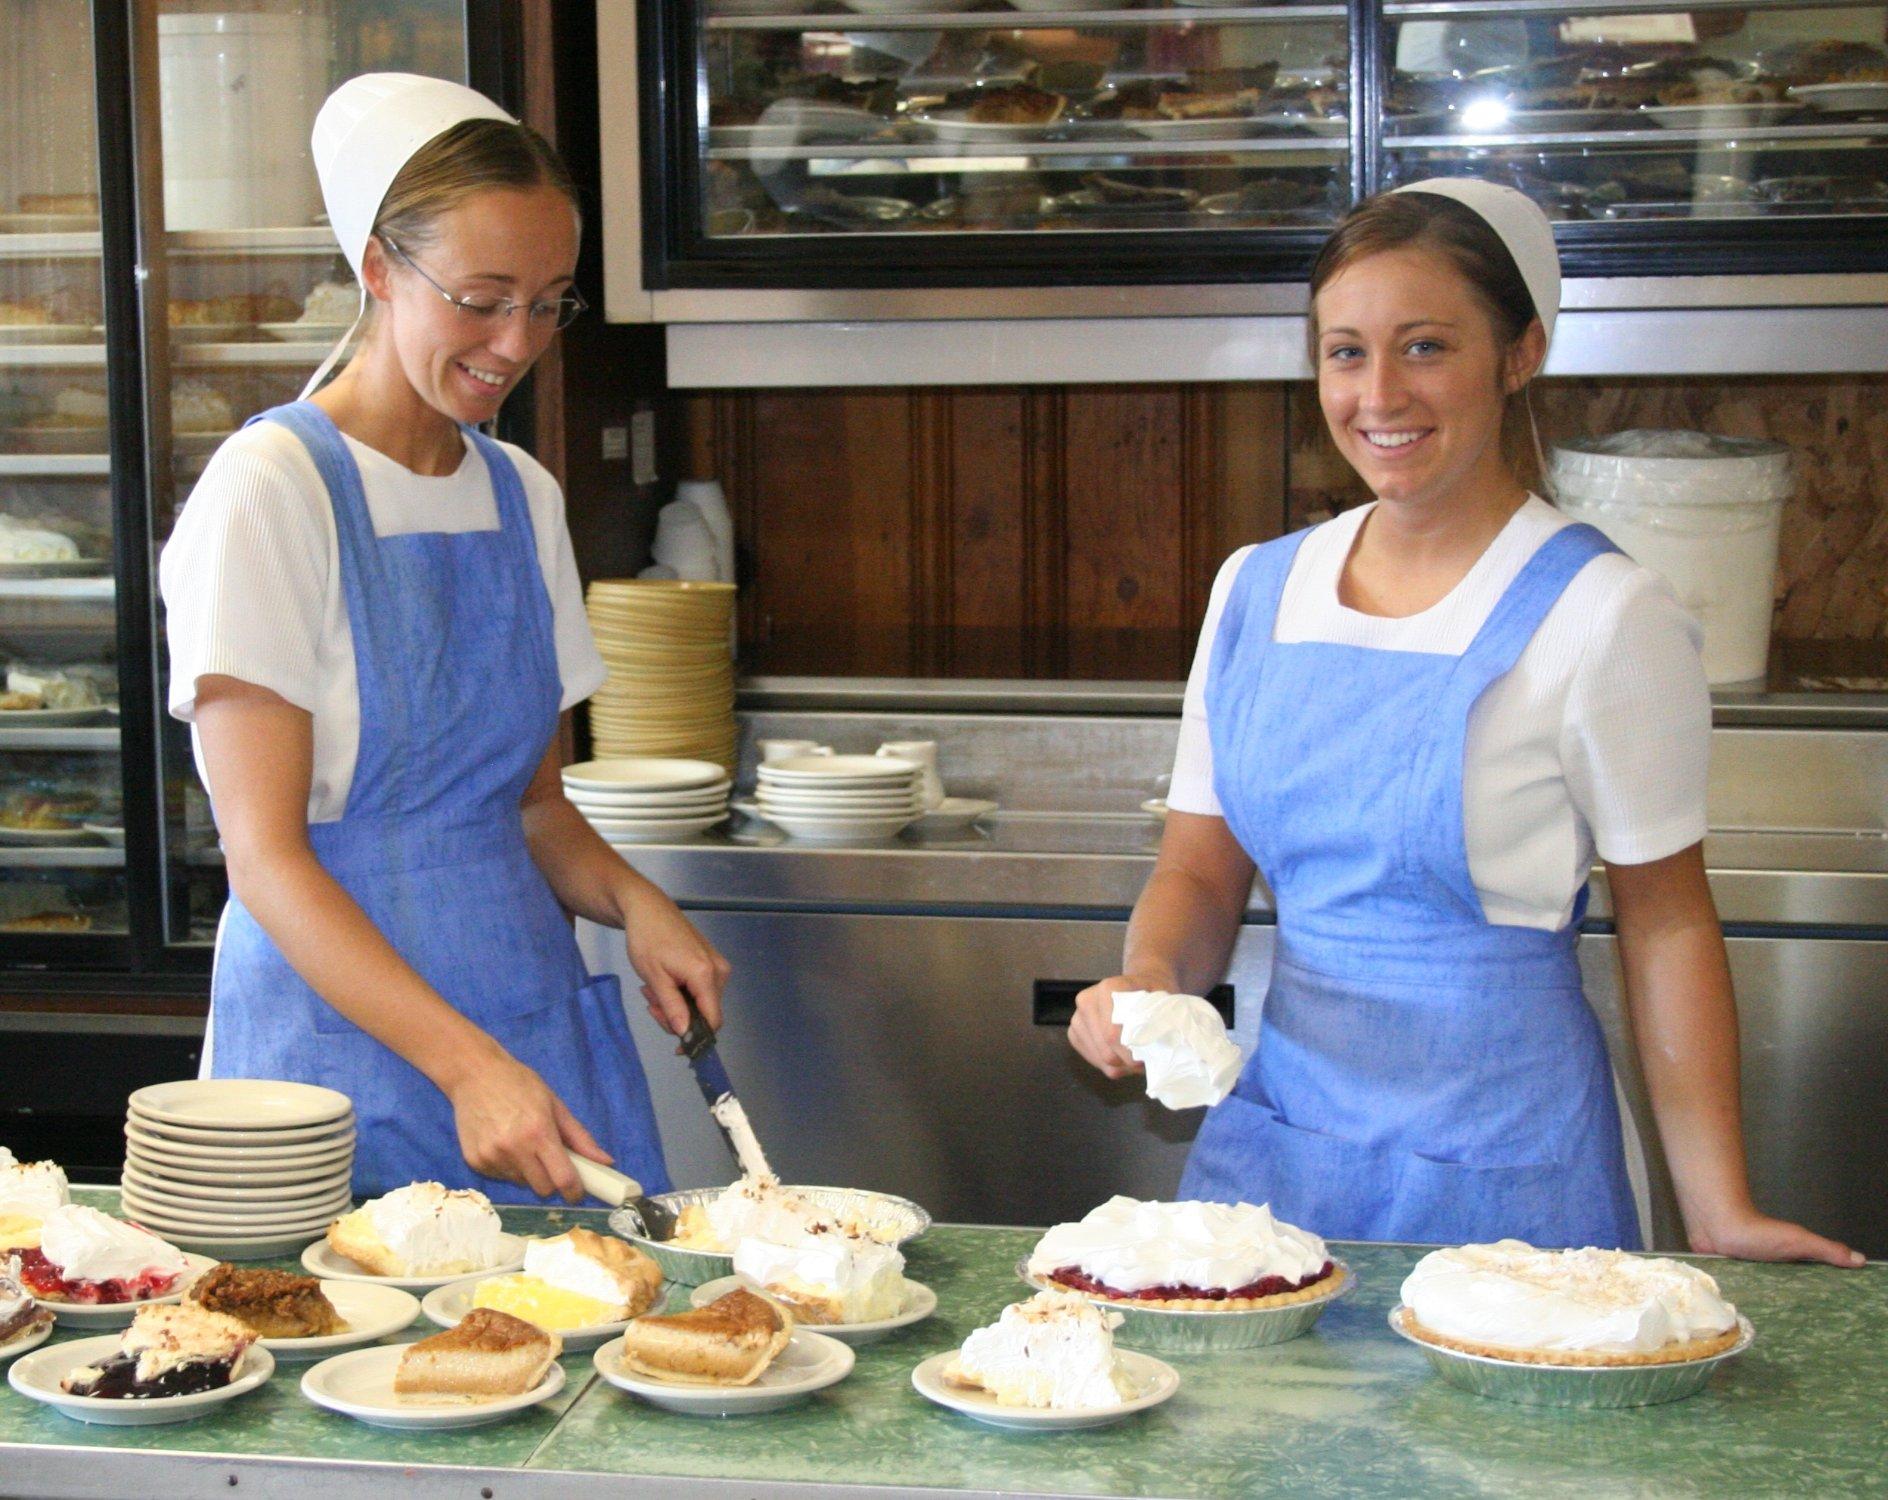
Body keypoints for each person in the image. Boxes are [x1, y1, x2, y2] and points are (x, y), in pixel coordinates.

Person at [1068, 179, 1860, 1267]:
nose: (1378, 394)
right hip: (1283, 1168)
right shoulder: (1254, 590)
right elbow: (1201, 871)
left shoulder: (1603, 613)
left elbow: (1667, 920)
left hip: (1509, 1179)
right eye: (1345, 353)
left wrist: (1718, 1208)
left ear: (1520, 354)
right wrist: (1151, 985)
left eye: (1426, 347)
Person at [161, 75, 729, 1204]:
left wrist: (635, 902)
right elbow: (265, 858)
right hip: (340, 1058)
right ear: (379, 268)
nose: (516, 343)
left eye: (549, 304)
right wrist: (467, 1066)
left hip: (521, 1018)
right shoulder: (271, 490)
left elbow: (533, 809)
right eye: (482, 299)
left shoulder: (521, 495)